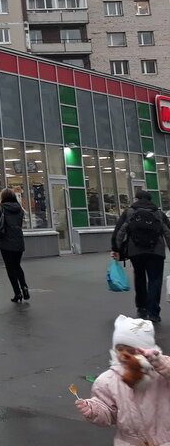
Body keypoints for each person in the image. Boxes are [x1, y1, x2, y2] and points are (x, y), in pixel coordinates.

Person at [74, 314, 170, 444]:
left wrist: (162, 365)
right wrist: (95, 410)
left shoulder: (161, 373)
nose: (124, 355)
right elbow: (108, 412)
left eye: (131, 351)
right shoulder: (108, 380)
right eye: (120, 350)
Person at [112, 190, 170, 323]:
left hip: (136, 252)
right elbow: (168, 233)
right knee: (155, 280)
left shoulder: (129, 212)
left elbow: (119, 232)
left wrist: (116, 249)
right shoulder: (158, 213)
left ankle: (142, 307)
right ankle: (153, 313)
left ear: (137, 199)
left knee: (140, 278)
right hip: (156, 252)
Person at [0, 188, 29, 302]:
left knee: (10, 268)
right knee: (17, 266)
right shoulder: (20, 209)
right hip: (19, 241)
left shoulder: (1, 208)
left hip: (6, 242)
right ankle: (24, 287)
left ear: (2, 197)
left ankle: (17, 293)